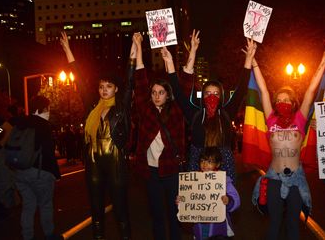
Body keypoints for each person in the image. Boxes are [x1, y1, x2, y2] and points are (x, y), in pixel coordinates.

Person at [251, 45, 325, 240]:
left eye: (286, 99)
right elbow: (263, 90)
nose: (282, 102)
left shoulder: (300, 120)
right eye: (278, 100)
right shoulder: (270, 119)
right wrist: (254, 62)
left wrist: (322, 62)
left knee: (293, 224)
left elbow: (311, 90)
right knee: (275, 222)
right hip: (273, 177)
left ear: (293, 102)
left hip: (296, 178)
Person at [60, 31, 133, 239]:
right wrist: (67, 50)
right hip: (92, 162)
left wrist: (134, 49)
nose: (104, 90)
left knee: (120, 211)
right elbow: (81, 80)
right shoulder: (92, 107)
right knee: (96, 212)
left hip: (116, 163)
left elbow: (130, 78)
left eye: (108, 86)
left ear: (116, 89)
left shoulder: (121, 107)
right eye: (101, 87)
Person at [167, 31, 257, 183]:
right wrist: (172, 61)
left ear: (221, 97)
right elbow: (177, 91)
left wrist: (249, 59)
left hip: (225, 168)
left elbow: (241, 89)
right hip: (197, 167)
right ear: (203, 96)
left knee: (224, 204)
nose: (212, 97)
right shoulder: (194, 114)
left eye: (216, 93)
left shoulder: (227, 113)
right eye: (208, 93)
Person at [132, 32, 185, 240]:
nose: (156, 96)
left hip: (172, 170)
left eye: (161, 92)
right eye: (153, 92)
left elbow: (183, 87)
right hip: (150, 171)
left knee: (175, 214)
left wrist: (169, 62)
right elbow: (140, 81)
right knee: (156, 215)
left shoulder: (176, 111)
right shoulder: (145, 110)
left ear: (168, 94)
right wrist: (138, 48)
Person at [13, 95, 62, 240]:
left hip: (20, 171)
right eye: (48, 108)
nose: (49, 111)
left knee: (28, 206)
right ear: (44, 108)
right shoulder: (43, 125)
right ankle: (50, 235)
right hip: (40, 171)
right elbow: (48, 152)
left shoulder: (20, 121)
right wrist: (56, 174)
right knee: (45, 205)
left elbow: (1, 131)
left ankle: (27, 236)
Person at [179, 147, 240, 240]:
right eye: (202, 160)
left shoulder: (223, 180)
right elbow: (189, 201)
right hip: (200, 227)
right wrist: (181, 201)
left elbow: (236, 200)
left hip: (218, 229)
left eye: (209, 161)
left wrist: (229, 200)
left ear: (218, 164)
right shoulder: (194, 180)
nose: (205, 164)